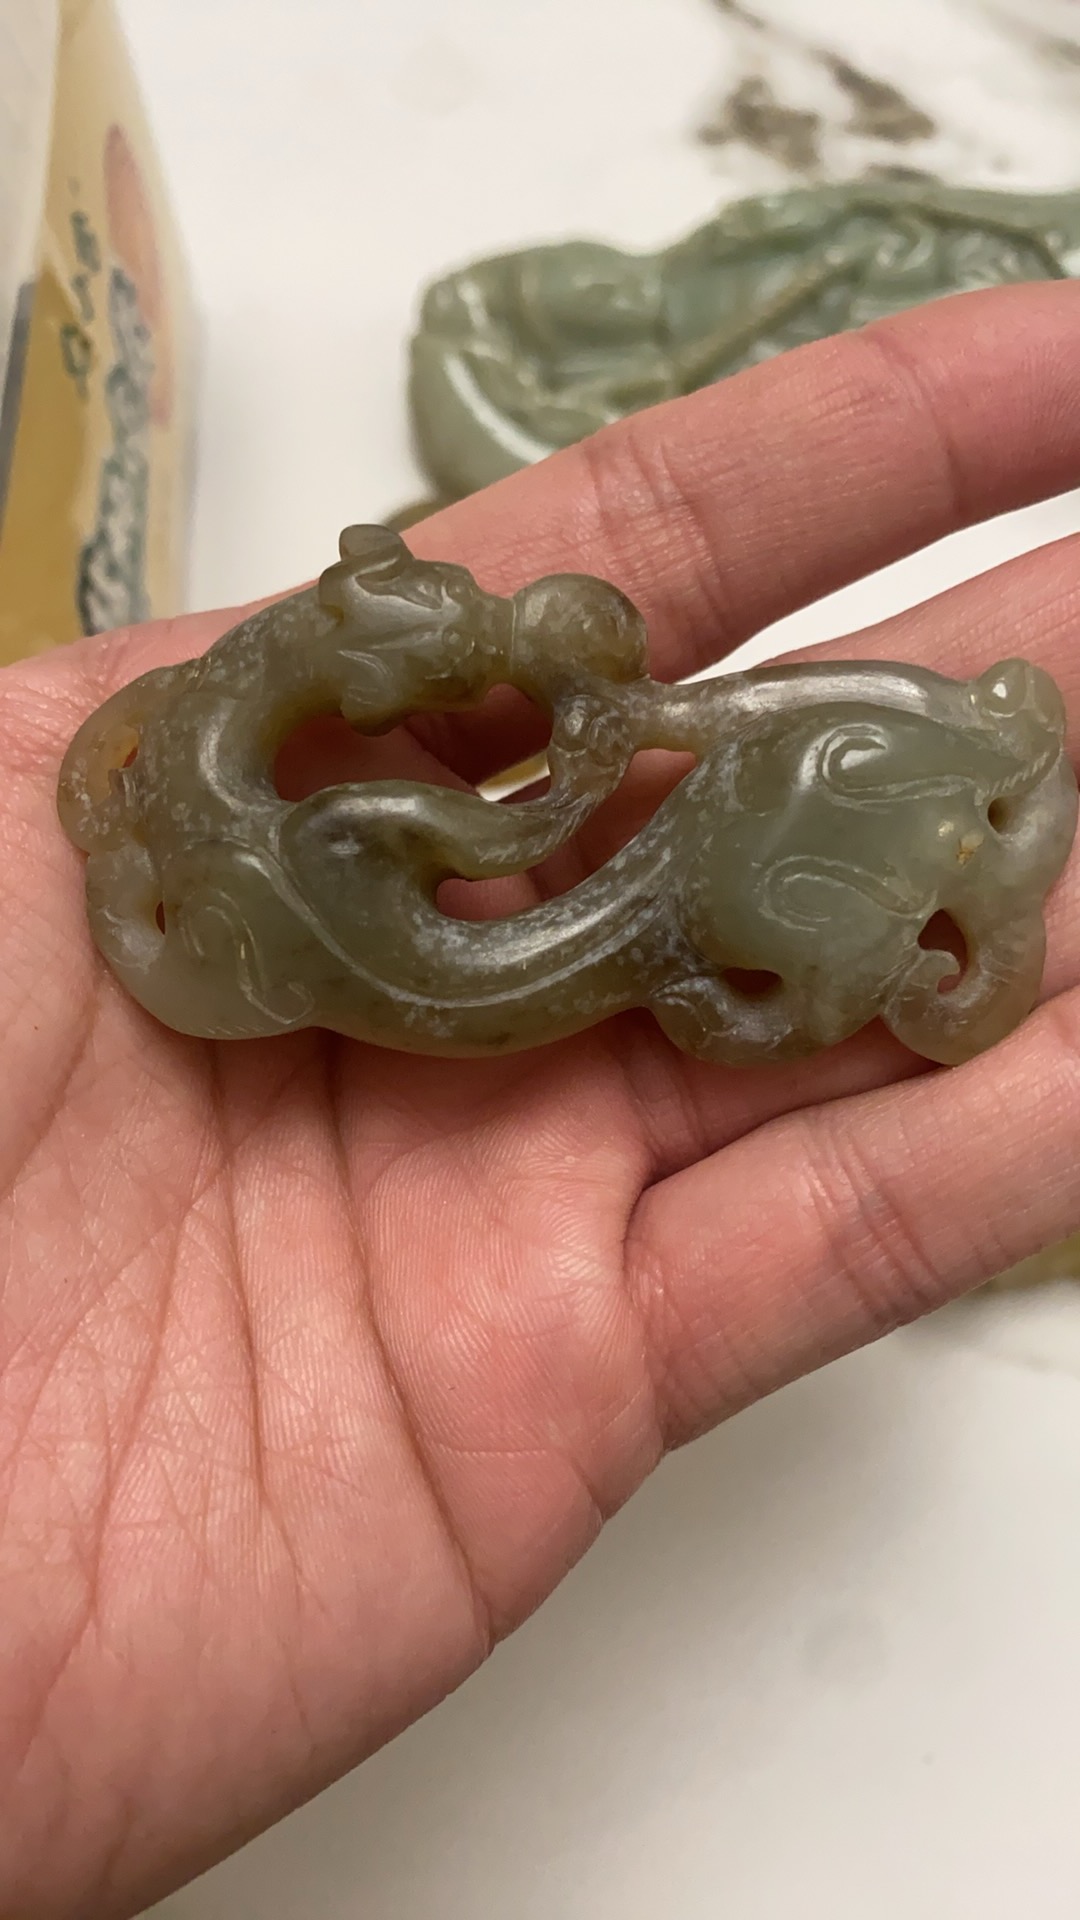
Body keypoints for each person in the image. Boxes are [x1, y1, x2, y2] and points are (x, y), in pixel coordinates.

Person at [1, 279, 1078, 1918]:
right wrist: (583, 763)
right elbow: (482, 835)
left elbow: (481, 829)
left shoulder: (295, 826)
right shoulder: (332, 845)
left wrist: (596, 756)